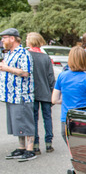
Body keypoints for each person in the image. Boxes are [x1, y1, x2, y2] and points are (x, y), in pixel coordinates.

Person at [0, 27, 36, 162]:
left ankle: (30, 149)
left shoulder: (23, 54)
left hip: (22, 95)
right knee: (17, 123)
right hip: (11, 96)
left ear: (12, 38)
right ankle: (21, 148)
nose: (2, 41)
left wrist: (7, 68)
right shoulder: (9, 53)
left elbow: (26, 72)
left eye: (4, 38)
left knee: (26, 122)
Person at [26, 32, 56, 154]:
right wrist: (53, 92)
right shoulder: (45, 57)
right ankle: (49, 144)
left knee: (33, 119)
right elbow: (51, 77)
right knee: (47, 118)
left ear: (31, 41)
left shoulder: (27, 55)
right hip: (45, 92)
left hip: (32, 92)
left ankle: (36, 145)